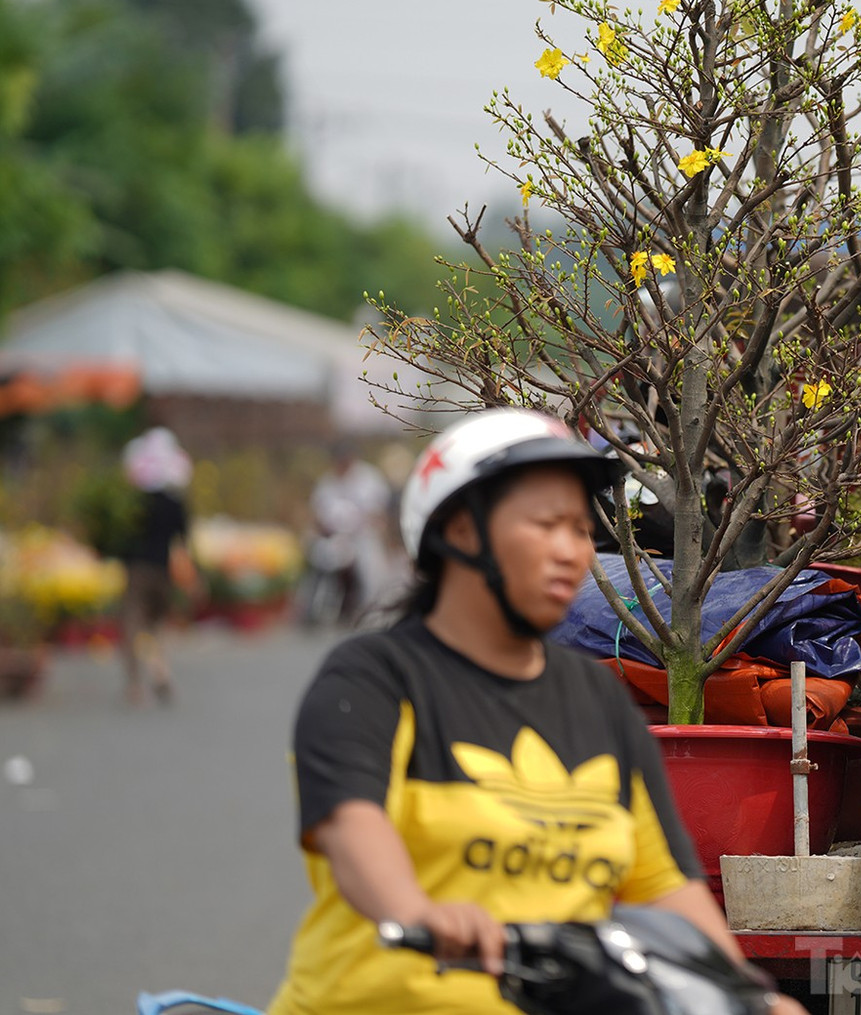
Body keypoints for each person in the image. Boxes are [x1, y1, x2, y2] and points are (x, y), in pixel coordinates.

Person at [268, 408, 801, 1015]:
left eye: (581, 530)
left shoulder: (598, 699)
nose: (571, 551)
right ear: (463, 530)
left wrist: (748, 996)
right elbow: (352, 826)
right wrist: (416, 912)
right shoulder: (373, 678)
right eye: (547, 524)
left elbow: (663, 886)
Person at [119, 425, 198, 705]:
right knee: (158, 626)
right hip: (163, 570)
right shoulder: (175, 503)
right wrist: (194, 576)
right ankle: (160, 671)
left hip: (137, 569)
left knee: (132, 625)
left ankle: (135, 685)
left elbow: (121, 536)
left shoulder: (134, 502)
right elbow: (184, 541)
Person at [304, 442, 394, 626]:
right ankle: (317, 610)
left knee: (370, 568)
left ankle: (372, 612)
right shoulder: (327, 481)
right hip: (336, 537)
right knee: (320, 557)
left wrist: (359, 522)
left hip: (364, 536)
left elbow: (379, 514)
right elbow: (317, 515)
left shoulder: (369, 478)